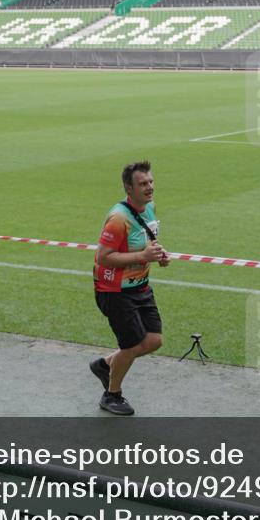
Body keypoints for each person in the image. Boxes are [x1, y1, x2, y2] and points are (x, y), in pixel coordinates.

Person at [89, 161, 169, 416]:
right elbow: (103, 257)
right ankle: (112, 394)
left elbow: (147, 242)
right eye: (143, 184)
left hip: (140, 286)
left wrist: (158, 254)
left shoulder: (149, 208)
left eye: (151, 182)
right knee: (132, 345)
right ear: (129, 188)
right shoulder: (118, 218)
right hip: (114, 290)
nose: (149, 188)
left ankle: (105, 365)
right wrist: (143, 256)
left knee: (154, 340)